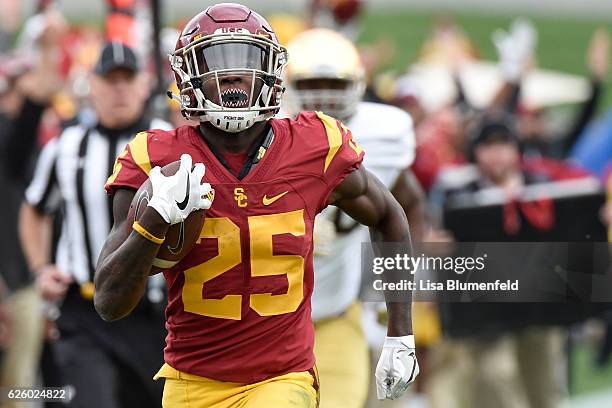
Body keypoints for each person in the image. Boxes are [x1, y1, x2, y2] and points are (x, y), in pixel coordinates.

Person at [94, 3, 419, 407]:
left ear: (270, 69)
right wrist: (156, 220)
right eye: (214, 61)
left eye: (245, 59)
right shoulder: (154, 159)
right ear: (187, 76)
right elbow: (109, 302)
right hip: (190, 380)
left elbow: (391, 217)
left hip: (282, 378)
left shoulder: (316, 145)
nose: (231, 73)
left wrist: (401, 334)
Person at [19, 41, 170, 408]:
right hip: (83, 311)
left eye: (127, 79)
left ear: (143, 84)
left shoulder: (169, 142)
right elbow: (34, 207)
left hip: (153, 315)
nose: (118, 88)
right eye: (109, 79)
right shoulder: (67, 145)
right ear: (93, 85)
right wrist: (41, 269)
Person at [284, 28, 426, 408]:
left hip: (335, 312)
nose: (325, 95)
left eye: (334, 83)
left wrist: (391, 285)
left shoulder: (380, 135)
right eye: (313, 83)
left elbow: (407, 202)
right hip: (264, 321)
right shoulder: (263, 137)